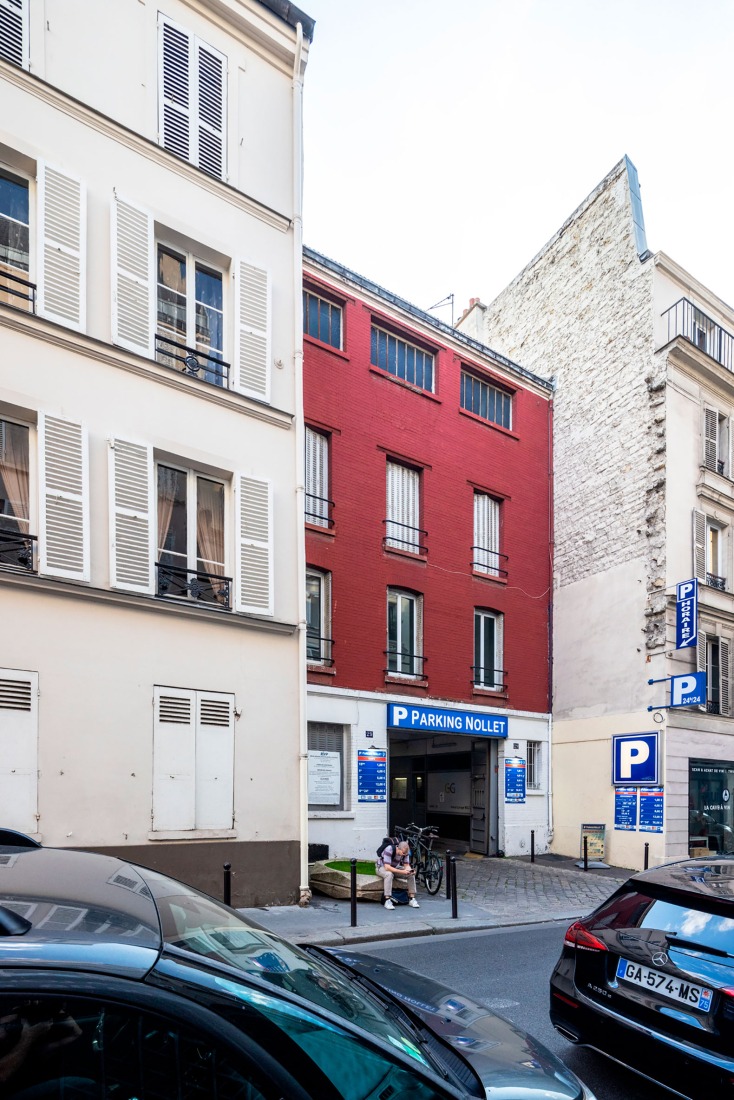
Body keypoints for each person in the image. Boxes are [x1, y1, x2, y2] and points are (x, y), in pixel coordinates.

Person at [376, 840, 419, 911]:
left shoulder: (405, 852)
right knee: (389, 874)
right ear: (398, 849)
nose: (404, 855)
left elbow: (406, 865)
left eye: (406, 853)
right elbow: (387, 867)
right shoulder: (389, 849)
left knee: (410, 875)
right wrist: (402, 871)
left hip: (395, 867)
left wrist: (410, 870)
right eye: (403, 853)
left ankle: (412, 899)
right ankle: (387, 900)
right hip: (382, 867)